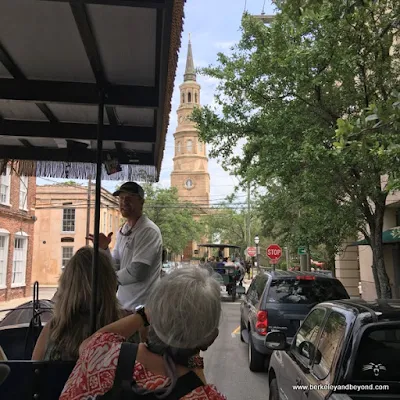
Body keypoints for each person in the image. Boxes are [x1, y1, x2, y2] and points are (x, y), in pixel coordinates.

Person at [60, 268, 227, 400]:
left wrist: (142, 315)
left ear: (153, 311)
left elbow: (95, 340)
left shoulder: (102, 354)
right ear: (210, 338)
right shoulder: (201, 395)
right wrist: (196, 357)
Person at [32, 247, 122, 361]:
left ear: (67, 286)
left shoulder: (53, 330)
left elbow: (33, 373)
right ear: (112, 285)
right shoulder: (127, 329)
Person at [88, 182, 163, 312]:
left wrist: (107, 278)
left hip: (142, 310)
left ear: (141, 202)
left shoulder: (148, 230)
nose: (124, 202)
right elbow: (115, 265)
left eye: (129, 198)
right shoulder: (123, 230)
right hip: (123, 306)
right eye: (121, 198)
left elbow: (137, 273)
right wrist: (105, 249)